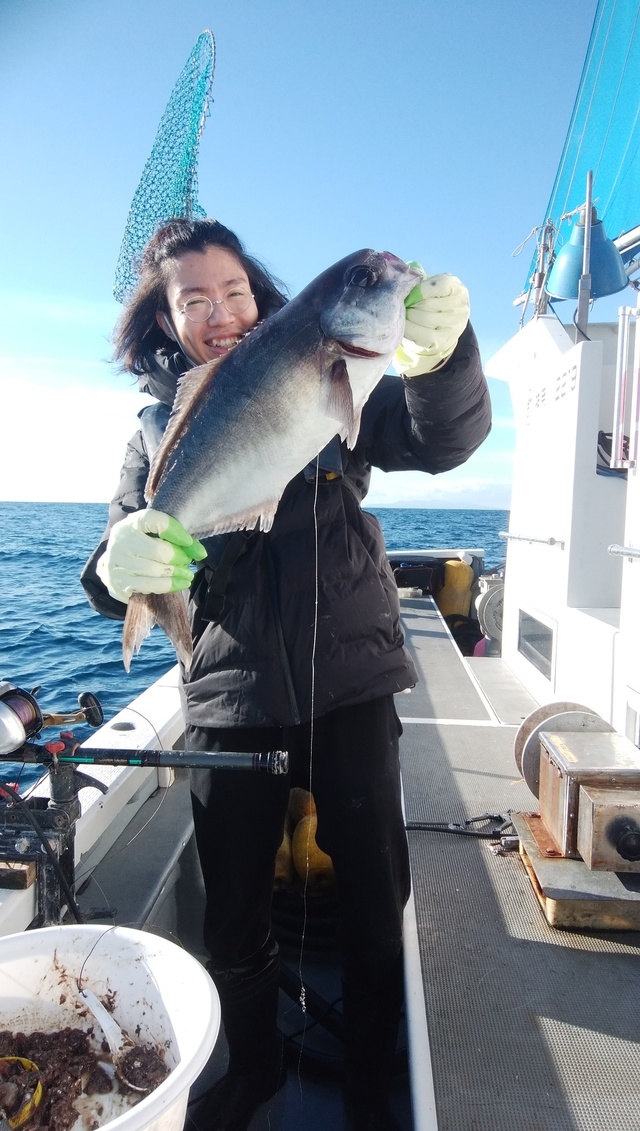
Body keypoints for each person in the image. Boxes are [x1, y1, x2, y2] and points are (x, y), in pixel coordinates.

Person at [81, 218, 491, 1131]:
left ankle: (367, 1079)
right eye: (194, 301)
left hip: (348, 675)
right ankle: (257, 1067)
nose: (219, 313)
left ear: (259, 292)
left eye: (232, 291)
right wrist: (119, 567)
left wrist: (445, 356)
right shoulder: (155, 427)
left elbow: (442, 438)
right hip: (227, 691)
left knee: (374, 893)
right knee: (232, 909)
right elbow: (120, 558)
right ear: (168, 317)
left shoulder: (340, 368)